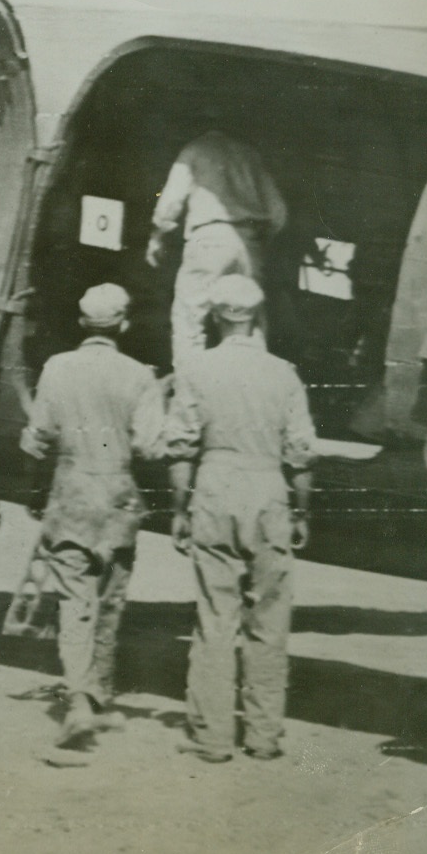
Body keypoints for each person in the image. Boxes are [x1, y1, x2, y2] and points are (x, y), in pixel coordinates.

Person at [163, 275, 316, 763]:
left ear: (215, 316)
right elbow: (301, 455)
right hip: (269, 488)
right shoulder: (284, 374)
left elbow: (181, 448)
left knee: (215, 618)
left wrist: (179, 510)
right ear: (256, 314)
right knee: (270, 619)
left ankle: (211, 737)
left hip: (214, 485)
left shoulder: (195, 370)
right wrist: (301, 511)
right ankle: (264, 735)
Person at [18, 284, 165, 756]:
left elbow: (39, 436)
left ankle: (80, 700)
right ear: (124, 325)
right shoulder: (140, 376)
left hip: (73, 494)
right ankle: (98, 695)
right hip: (120, 498)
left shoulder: (57, 368)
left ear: (83, 324)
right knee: (111, 602)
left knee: (74, 603)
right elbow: (148, 446)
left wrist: (38, 483)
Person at [146, 129, 288, 367]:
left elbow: (170, 203)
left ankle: (188, 387)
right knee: (249, 317)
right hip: (248, 241)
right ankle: (254, 381)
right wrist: (258, 241)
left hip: (208, 237)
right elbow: (278, 212)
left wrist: (157, 236)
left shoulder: (194, 150)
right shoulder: (249, 154)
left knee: (190, 316)